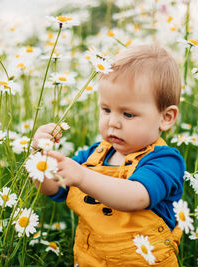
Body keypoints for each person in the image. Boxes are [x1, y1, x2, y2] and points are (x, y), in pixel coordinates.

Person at [32, 44, 185, 266]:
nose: (113, 122)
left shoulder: (165, 161)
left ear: (166, 117)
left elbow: (137, 197)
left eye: (128, 114)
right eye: (106, 110)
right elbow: (50, 188)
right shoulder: (93, 156)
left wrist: (82, 177)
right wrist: (40, 159)